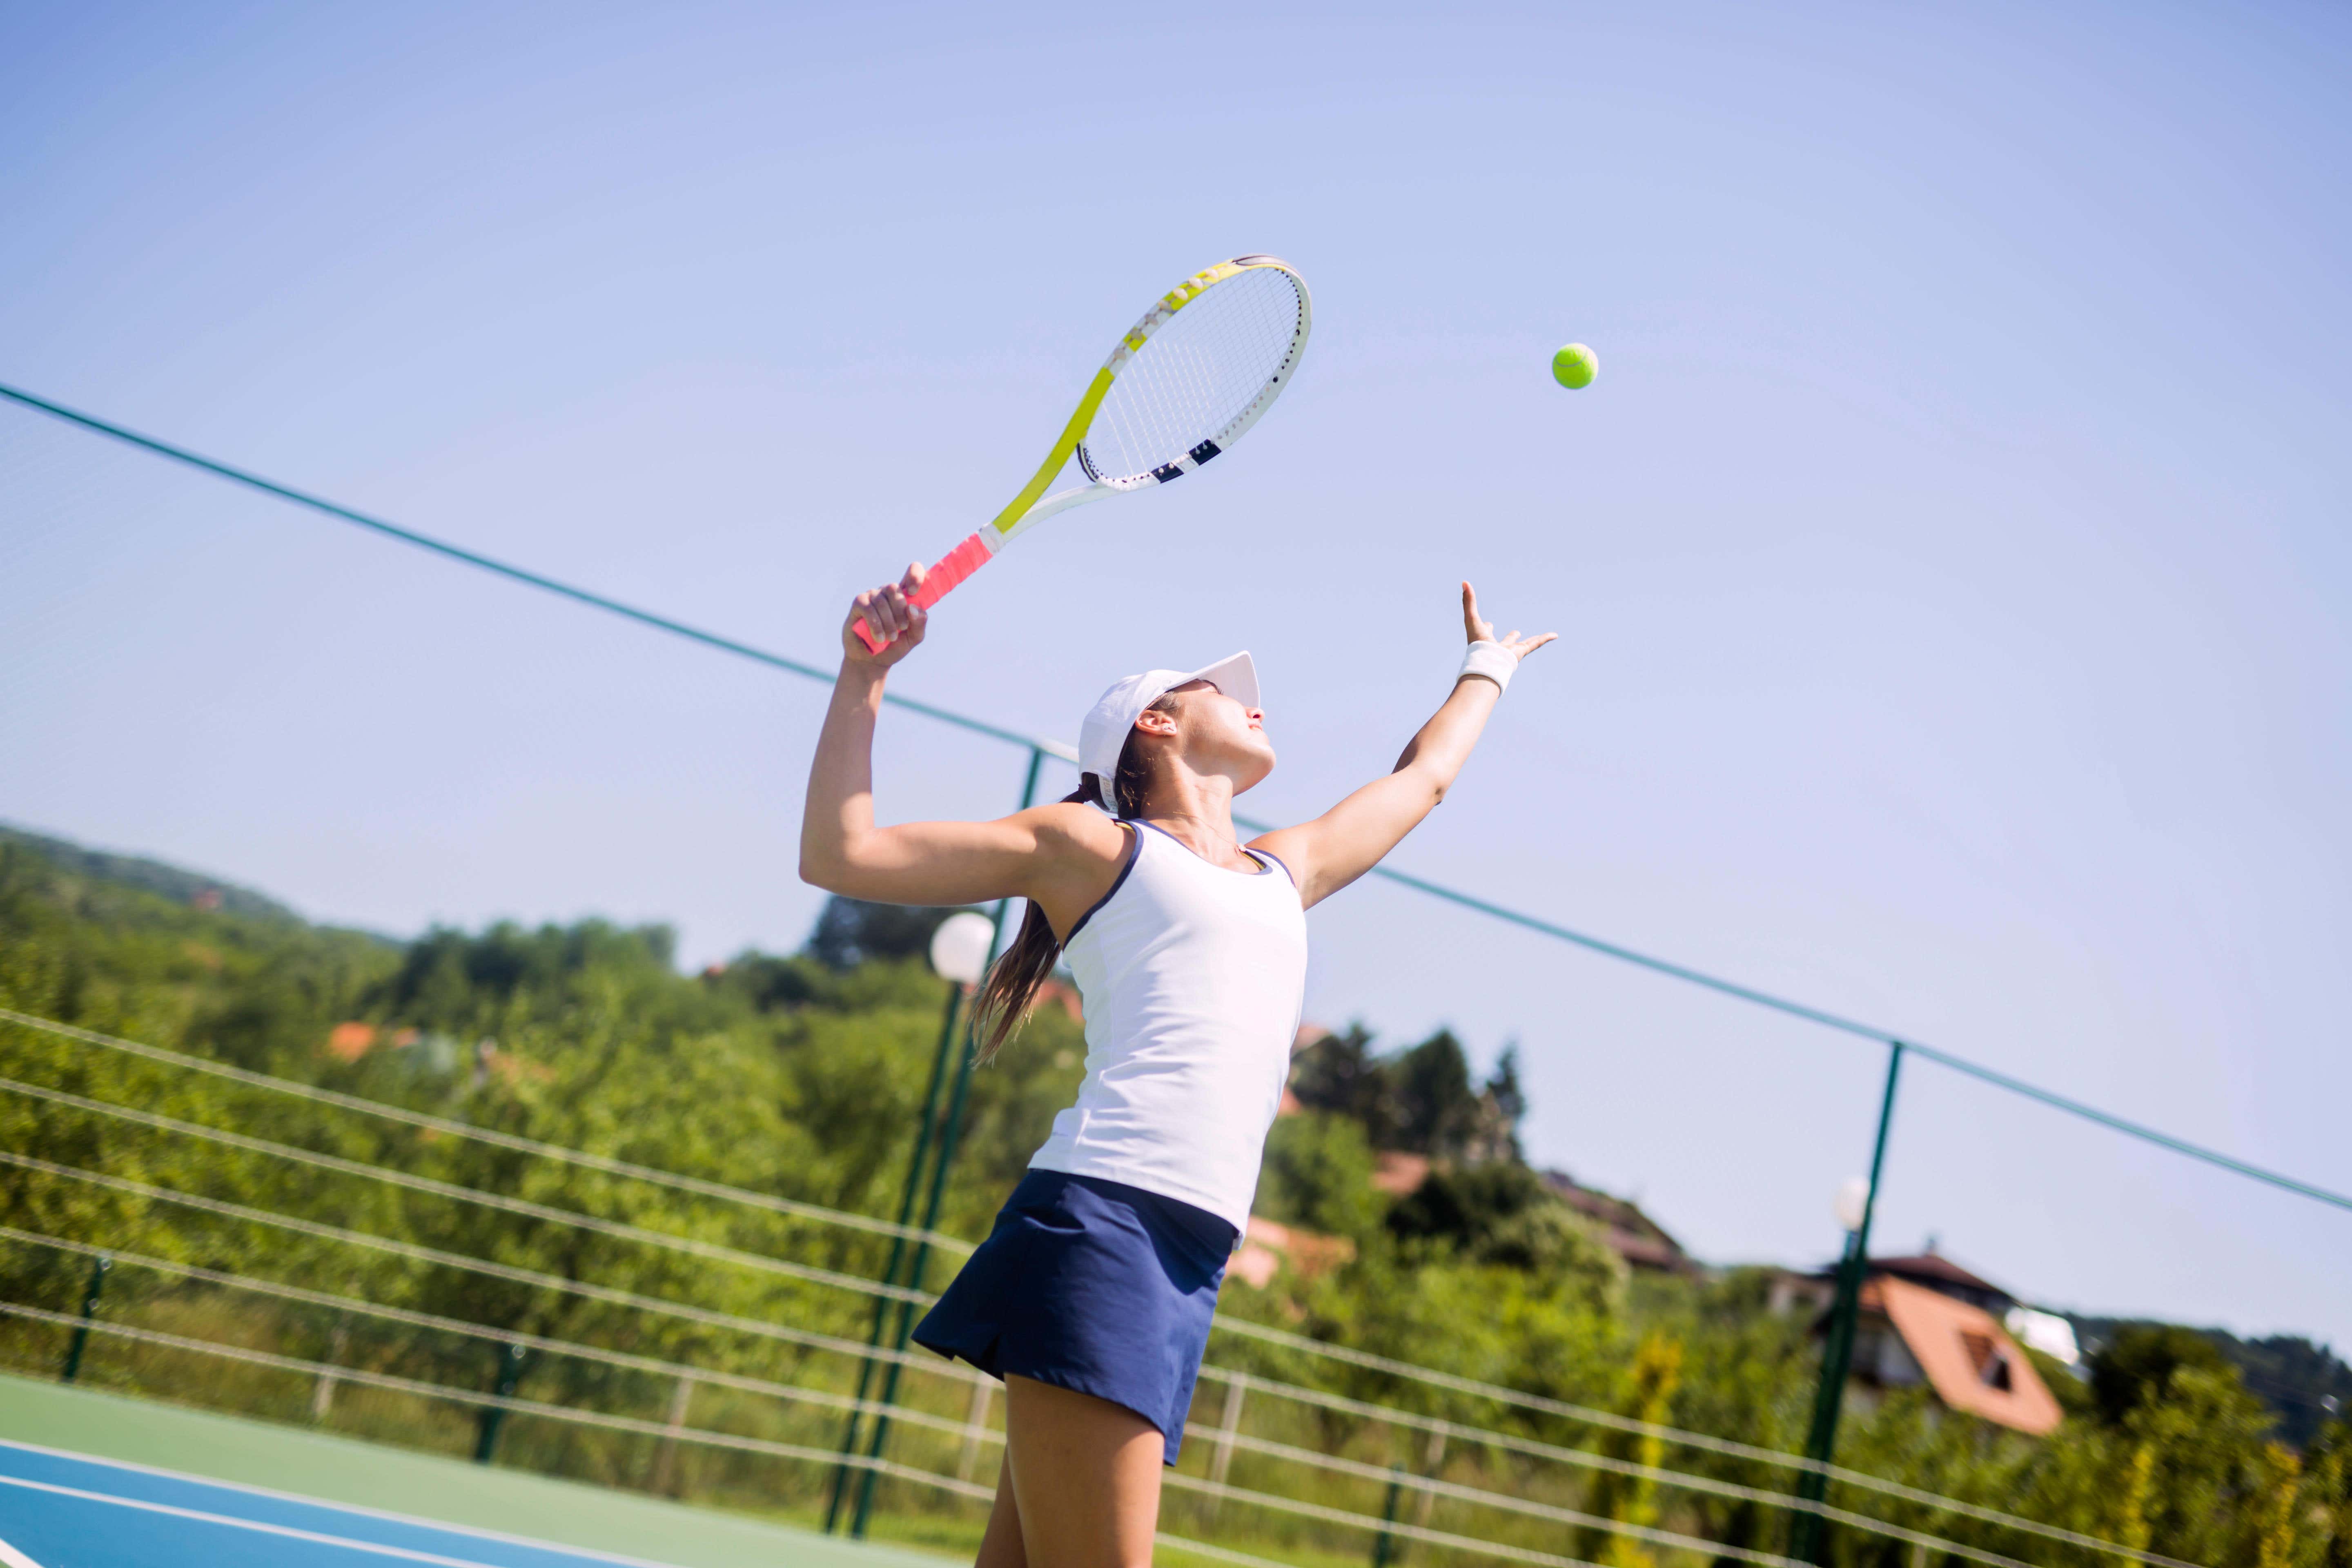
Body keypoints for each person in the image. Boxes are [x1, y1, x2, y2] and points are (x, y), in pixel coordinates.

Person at [800, 566, 1554, 1568]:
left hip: (1183, 1252)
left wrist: (1484, 669)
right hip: (1108, 1226)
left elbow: (1423, 779)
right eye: (1221, 688)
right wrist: (865, 677)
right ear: (1156, 723)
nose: (1254, 699)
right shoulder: (1091, 845)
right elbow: (842, 854)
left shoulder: (1287, 870)